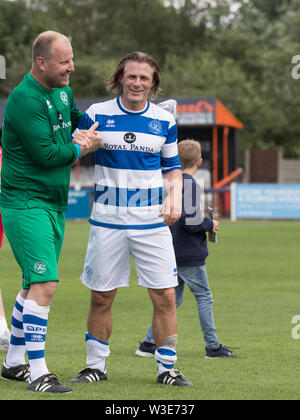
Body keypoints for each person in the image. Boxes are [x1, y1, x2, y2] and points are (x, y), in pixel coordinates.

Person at [70, 51, 193, 387]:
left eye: (144, 78)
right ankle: (95, 366)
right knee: (101, 296)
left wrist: (176, 199)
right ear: (120, 78)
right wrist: (84, 145)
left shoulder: (164, 121)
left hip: (152, 222)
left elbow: (172, 170)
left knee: (165, 295)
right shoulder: (97, 113)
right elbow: (71, 150)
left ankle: (167, 369)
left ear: (153, 84)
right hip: (107, 220)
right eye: (132, 76)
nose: (137, 83)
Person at [0, 31, 102, 394]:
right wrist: (81, 150)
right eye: (64, 61)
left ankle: (13, 363)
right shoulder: (24, 99)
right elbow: (46, 155)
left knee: (31, 284)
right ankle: (39, 372)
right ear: (41, 62)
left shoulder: (63, 90)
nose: (71, 67)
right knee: (46, 283)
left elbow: (81, 123)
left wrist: (108, 129)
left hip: (52, 202)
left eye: (71, 59)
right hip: (25, 202)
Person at [136, 139, 238, 359]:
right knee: (204, 297)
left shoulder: (169, 182)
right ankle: (212, 347)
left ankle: (147, 344)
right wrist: (210, 224)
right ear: (199, 161)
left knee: (173, 300)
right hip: (188, 253)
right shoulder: (189, 184)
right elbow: (190, 221)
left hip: (170, 248)